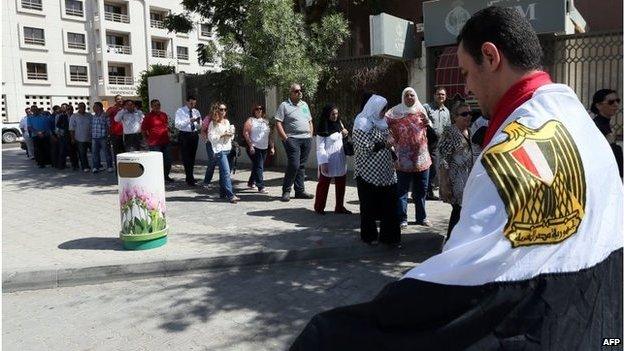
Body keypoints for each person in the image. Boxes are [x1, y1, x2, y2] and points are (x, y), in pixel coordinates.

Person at [291, 7, 622, 350]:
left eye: (466, 72)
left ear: (491, 57)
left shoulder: (508, 156)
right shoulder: (579, 122)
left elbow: (462, 288)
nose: (466, 87)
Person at [352, 93, 400, 247]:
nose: (384, 112)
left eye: (385, 109)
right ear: (373, 107)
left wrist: (394, 156)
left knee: (390, 206)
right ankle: (369, 236)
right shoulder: (361, 123)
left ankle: (390, 238)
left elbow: (389, 142)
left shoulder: (383, 122)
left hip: (386, 172)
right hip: (367, 172)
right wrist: (384, 145)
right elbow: (363, 148)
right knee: (368, 207)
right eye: (382, 109)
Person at [385, 87, 432, 228]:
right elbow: (385, 127)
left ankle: (421, 217)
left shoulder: (421, 111)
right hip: (403, 161)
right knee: (402, 192)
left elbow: (429, 129)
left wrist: (427, 122)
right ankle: (402, 219)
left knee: (421, 191)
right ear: (403, 97)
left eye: (412, 95)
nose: (409, 98)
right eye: (407, 95)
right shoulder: (395, 113)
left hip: (422, 159)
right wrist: (390, 141)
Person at [438, 101, 474, 240]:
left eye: (470, 113)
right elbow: (443, 159)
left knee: (463, 210)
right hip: (455, 179)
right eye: (464, 114)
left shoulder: (469, 131)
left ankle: (458, 239)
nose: (468, 116)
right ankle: (451, 240)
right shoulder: (450, 132)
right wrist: (445, 184)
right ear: (455, 117)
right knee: (459, 209)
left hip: (467, 178)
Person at [275, 83, 314, 201]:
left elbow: (310, 121)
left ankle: (300, 191)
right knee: (294, 164)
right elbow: (278, 122)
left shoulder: (304, 105)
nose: (299, 92)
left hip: (306, 138)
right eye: (296, 91)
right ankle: (286, 191)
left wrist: (310, 135)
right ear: (291, 92)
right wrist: (285, 138)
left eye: (300, 90)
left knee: (301, 166)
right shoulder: (284, 105)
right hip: (292, 139)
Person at [313, 104, 351, 215]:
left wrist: (345, 133)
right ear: (327, 114)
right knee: (323, 185)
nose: (335, 116)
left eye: (336, 114)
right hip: (328, 160)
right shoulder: (323, 127)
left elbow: (343, 137)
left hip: (340, 158)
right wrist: (323, 162)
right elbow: (320, 147)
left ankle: (339, 207)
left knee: (341, 184)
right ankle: (319, 207)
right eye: (332, 114)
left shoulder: (339, 123)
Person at [206, 102, 240, 203]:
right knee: (226, 172)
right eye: (221, 109)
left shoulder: (227, 122)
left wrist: (230, 134)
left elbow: (231, 136)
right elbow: (211, 137)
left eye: (225, 109)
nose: (223, 111)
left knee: (224, 172)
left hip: (228, 148)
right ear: (217, 110)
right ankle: (230, 195)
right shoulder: (213, 123)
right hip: (219, 150)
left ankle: (222, 193)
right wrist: (221, 135)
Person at [423, 87, 451, 200]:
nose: (441, 96)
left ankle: (429, 190)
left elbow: (448, 127)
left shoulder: (447, 111)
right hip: (426, 141)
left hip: (439, 143)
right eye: (439, 94)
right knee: (426, 166)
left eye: (443, 95)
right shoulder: (427, 107)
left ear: (445, 97)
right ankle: (425, 192)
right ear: (434, 95)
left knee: (435, 167)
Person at [590, 89, 623, 178]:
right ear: (598, 106)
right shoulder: (596, 126)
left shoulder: (604, 124)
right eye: (611, 102)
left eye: (617, 101)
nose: (616, 105)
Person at [242, 104, 274, 193]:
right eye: (257, 109)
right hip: (254, 147)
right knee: (259, 166)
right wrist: (250, 145)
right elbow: (246, 133)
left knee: (257, 165)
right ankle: (261, 186)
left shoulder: (266, 122)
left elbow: (270, 135)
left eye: (261, 109)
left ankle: (251, 182)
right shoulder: (251, 120)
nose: (259, 110)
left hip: (264, 147)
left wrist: (272, 147)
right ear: (254, 110)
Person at [142, 99, 173, 182]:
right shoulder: (148, 116)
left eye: (158, 105)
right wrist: (147, 139)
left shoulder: (164, 115)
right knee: (157, 162)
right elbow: (143, 130)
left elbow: (166, 125)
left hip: (165, 141)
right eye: (155, 105)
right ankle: (158, 179)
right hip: (154, 143)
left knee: (168, 161)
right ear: (151, 106)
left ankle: (166, 176)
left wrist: (169, 132)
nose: (157, 107)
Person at [175, 96, 202, 186]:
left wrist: (198, 123)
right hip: (184, 135)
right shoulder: (180, 111)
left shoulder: (196, 111)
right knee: (186, 157)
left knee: (192, 157)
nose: (192, 105)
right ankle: (189, 178)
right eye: (191, 103)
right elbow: (177, 125)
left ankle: (190, 176)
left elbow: (199, 127)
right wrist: (189, 120)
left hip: (194, 135)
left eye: (194, 103)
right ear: (187, 102)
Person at [91, 102, 114, 173]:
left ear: (99, 107)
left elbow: (109, 126)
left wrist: (108, 136)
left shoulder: (105, 115)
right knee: (95, 153)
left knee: (107, 152)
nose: (93, 108)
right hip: (94, 137)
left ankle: (109, 166)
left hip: (103, 137)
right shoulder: (93, 116)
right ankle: (96, 167)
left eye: (95, 106)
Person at [69, 102, 92, 172]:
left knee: (94, 153)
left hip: (90, 138)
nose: (82, 108)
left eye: (84, 107)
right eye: (81, 107)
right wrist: (72, 138)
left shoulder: (89, 115)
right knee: (82, 153)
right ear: (78, 108)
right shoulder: (74, 116)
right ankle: (85, 167)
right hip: (79, 139)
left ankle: (97, 166)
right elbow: (71, 128)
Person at [107, 95, 125, 162]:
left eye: (121, 99)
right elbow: (106, 115)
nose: (120, 100)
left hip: (125, 134)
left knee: (125, 151)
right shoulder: (112, 108)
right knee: (116, 152)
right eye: (118, 99)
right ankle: (117, 167)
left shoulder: (125, 108)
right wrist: (115, 108)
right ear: (115, 100)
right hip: (115, 134)